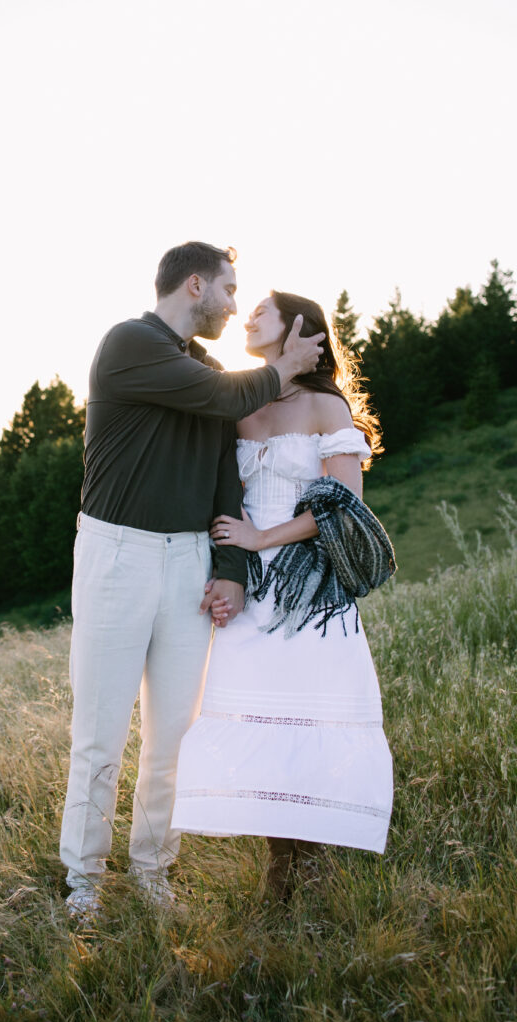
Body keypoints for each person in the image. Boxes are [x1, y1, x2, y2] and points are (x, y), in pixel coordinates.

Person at [59, 245, 325, 917]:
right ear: (195, 284)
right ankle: (84, 883)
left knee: (174, 734)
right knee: (99, 734)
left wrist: (231, 571)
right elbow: (218, 394)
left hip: (188, 563)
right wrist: (284, 366)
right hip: (117, 556)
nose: (234, 305)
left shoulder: (208, 372)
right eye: (229, 290)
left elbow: (223, 479)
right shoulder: (130, 343)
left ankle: (152, 872)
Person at [171, 290, 395, 897]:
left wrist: (261, 536)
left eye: (260, 312)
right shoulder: (244, 398)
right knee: (260, 720)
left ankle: (312, 860)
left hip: (309, 591)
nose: (247, 319)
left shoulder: (326, 407)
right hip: (251, 590)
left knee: (310, 718)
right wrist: (231, 563)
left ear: (298, 327)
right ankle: (279, 867)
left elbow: (344, 504)